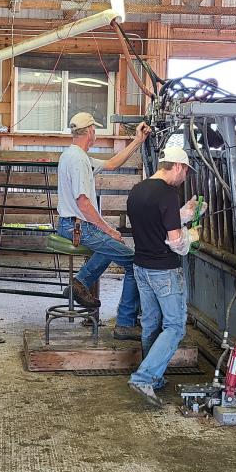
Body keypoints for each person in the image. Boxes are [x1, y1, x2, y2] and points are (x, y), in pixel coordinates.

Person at [57, 113, 152, 340]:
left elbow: (111, 164)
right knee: (134, 262)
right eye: (95, 130)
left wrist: (137, 141)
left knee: (110, 248)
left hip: (71, 223)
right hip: (79, 226)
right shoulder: (79, 160)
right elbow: (84, 203)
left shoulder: (73, 154)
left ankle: (80, 283)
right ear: (90, 131)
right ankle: (125, 324)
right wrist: (109, 229)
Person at [125, 144, 201, 407]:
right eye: (186, 172)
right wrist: (191, 235)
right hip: (164, 270)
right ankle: (145, 377)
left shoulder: (138, 190)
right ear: (177, 166)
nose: (185, 178)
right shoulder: (168, 194)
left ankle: (153, 379)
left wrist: (186, 213)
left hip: (141, 266)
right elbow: (175, 241)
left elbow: (156, 222)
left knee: (150, 323)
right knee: (175, 326)